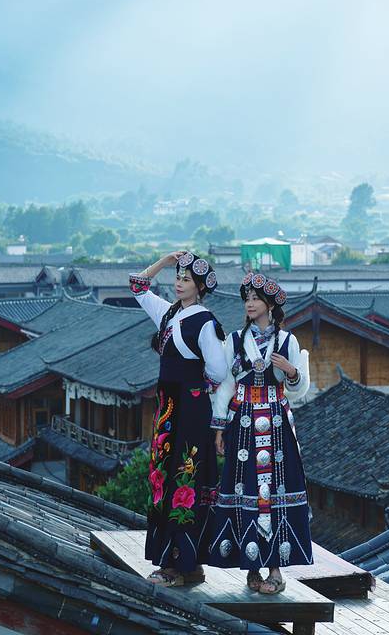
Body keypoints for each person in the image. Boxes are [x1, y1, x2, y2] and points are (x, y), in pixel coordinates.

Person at [208, 272, 312, 594]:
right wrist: (219, 427)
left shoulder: (287, 341)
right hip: (243, 423)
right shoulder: (235, 340)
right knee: (246, 489)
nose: (250, 304)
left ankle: (276, 569)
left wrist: (291, 371)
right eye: (247, 299)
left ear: (269, 304)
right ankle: (251, 566)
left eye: (256, 299)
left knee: (276, 491)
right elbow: (226, 384)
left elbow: (299, 389)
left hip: (277, 422)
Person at [129, 250, 227, 586]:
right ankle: (180, 564)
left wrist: (197, 389)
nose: (179, 283)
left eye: (187, 279)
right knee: (164, 479)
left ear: (200, 287)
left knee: (184, 480)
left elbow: (218, 370)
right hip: (168, 409)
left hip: (190, 410)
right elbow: (138, 286)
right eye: (178, 277)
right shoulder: (170, 313)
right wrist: (163, 261)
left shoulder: (205, 322)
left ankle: (180, 565)